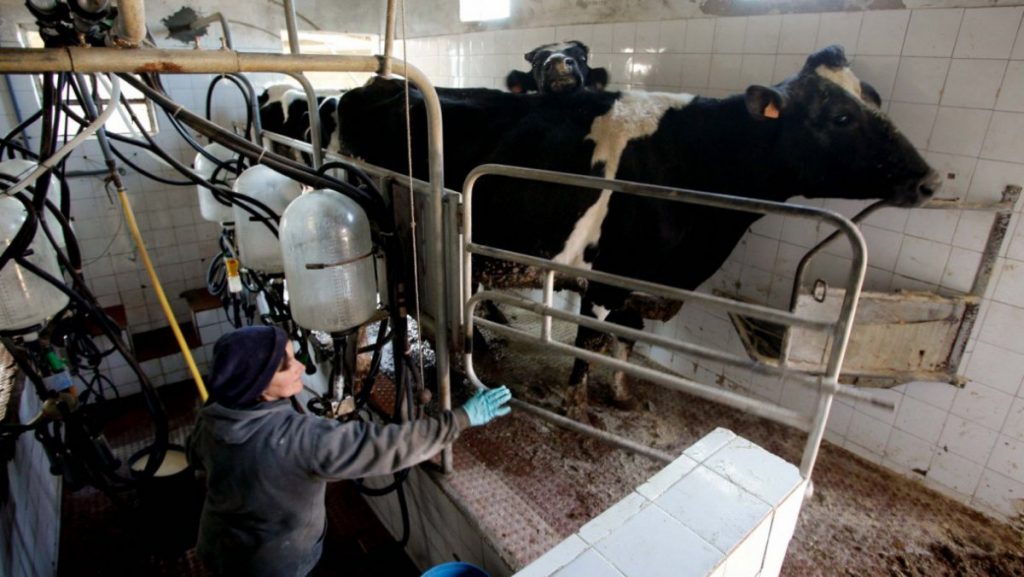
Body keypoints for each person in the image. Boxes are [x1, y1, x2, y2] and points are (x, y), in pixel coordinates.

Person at [187, 325, 512, 577]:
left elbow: (196, 458)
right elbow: (384, 448)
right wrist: (462, 418)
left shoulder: (212, 415)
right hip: (275, 564)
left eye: (293, 355)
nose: (300, 366)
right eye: (286, 366)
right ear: (258, 386)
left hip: (218, 545)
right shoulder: (297, 440)